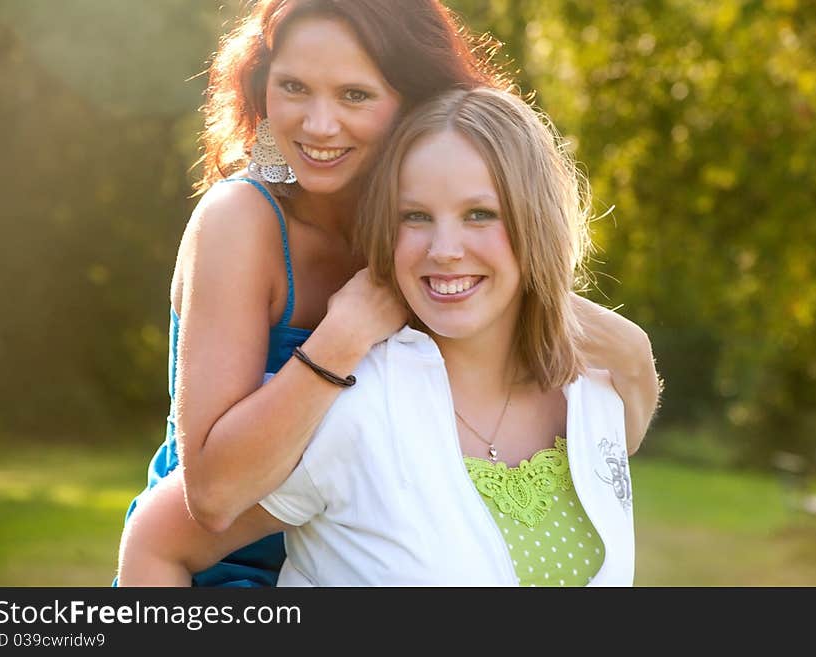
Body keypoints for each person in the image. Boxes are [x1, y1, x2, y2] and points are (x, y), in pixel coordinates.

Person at [119, 0, 659, 587]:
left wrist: (631, 357)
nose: (319, 126)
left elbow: (590, 435)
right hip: (215, 572)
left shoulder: (418, 230)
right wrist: (343, 336)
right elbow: (212, 497)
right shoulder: (241, 220)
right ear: (260, 91)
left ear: (411, 99)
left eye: (355, 95)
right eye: (294, 87)